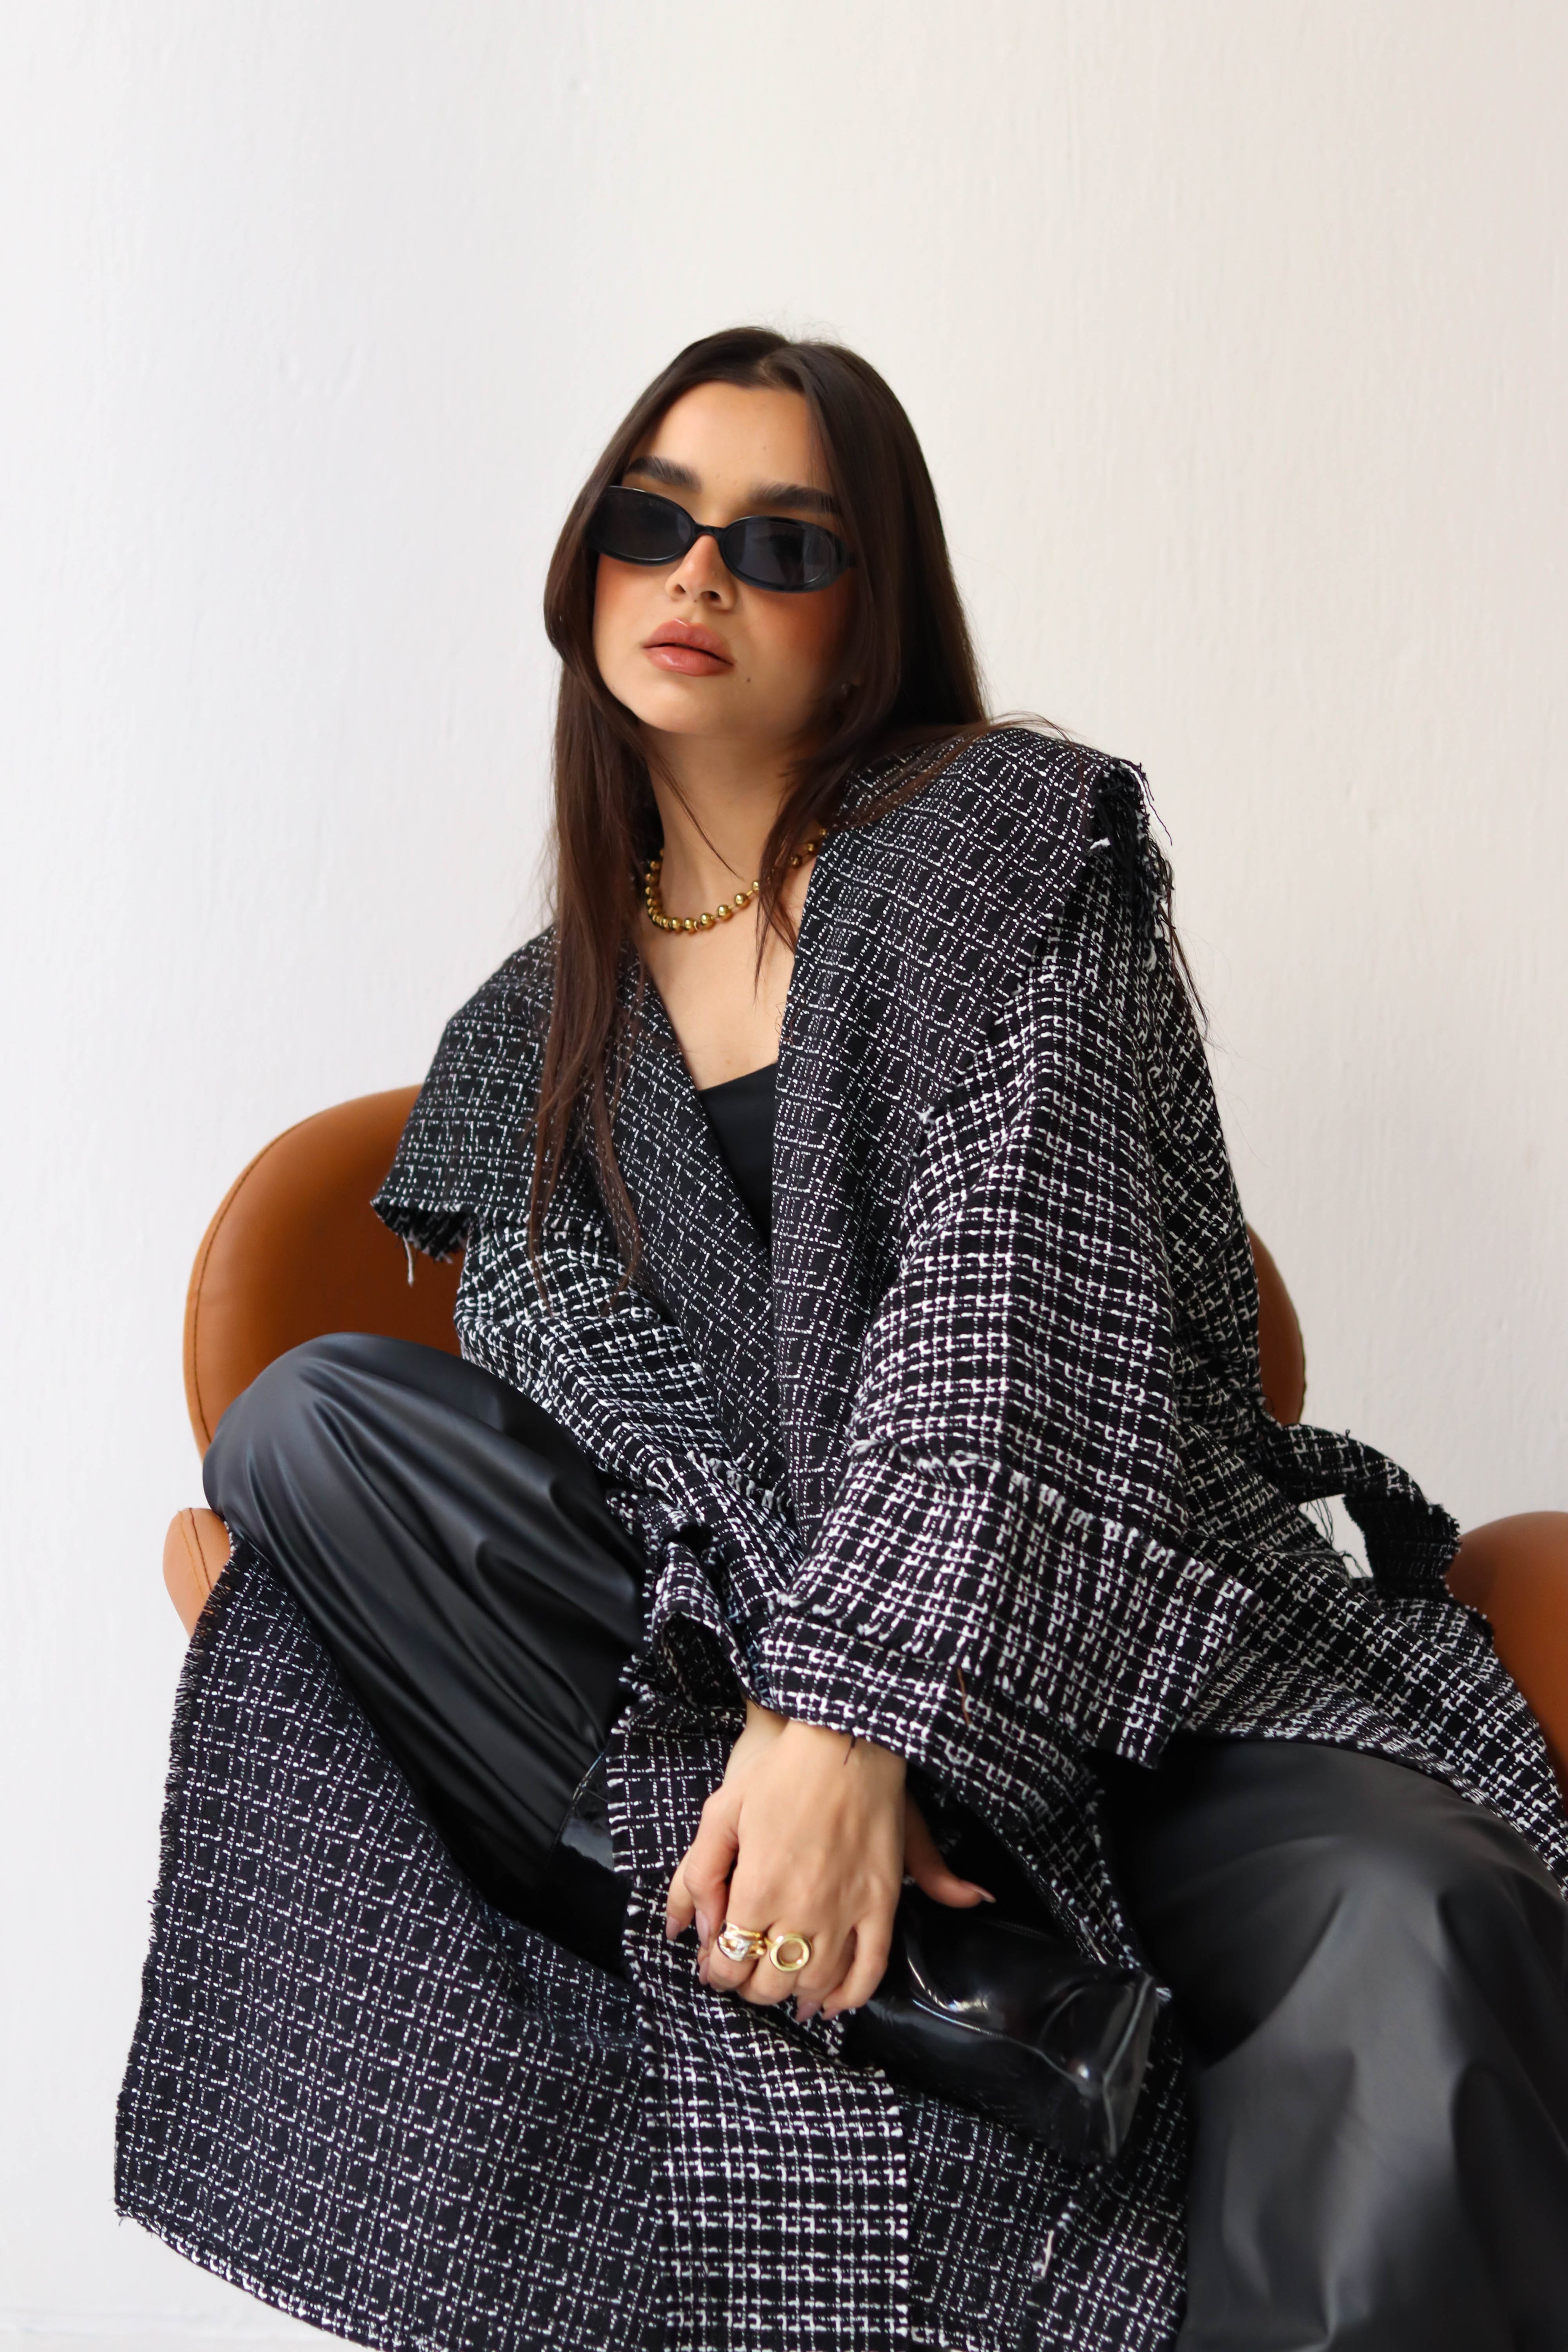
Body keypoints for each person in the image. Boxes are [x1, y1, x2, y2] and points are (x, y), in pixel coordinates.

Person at [119, 328, 1568, 2352]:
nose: (699, 573)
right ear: (586, 568)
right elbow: (600, 1444)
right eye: (653, 524)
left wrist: (864, 1715)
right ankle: (960, 1991)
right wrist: (781, 1705)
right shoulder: (519, 1042)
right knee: (310, 1429)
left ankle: (931, 1971)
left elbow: (1017, 1317)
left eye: (781, 543)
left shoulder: (1008, 849)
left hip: (1124, 1654)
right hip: (713, 1689)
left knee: (1429, 1914)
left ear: (871, 613)